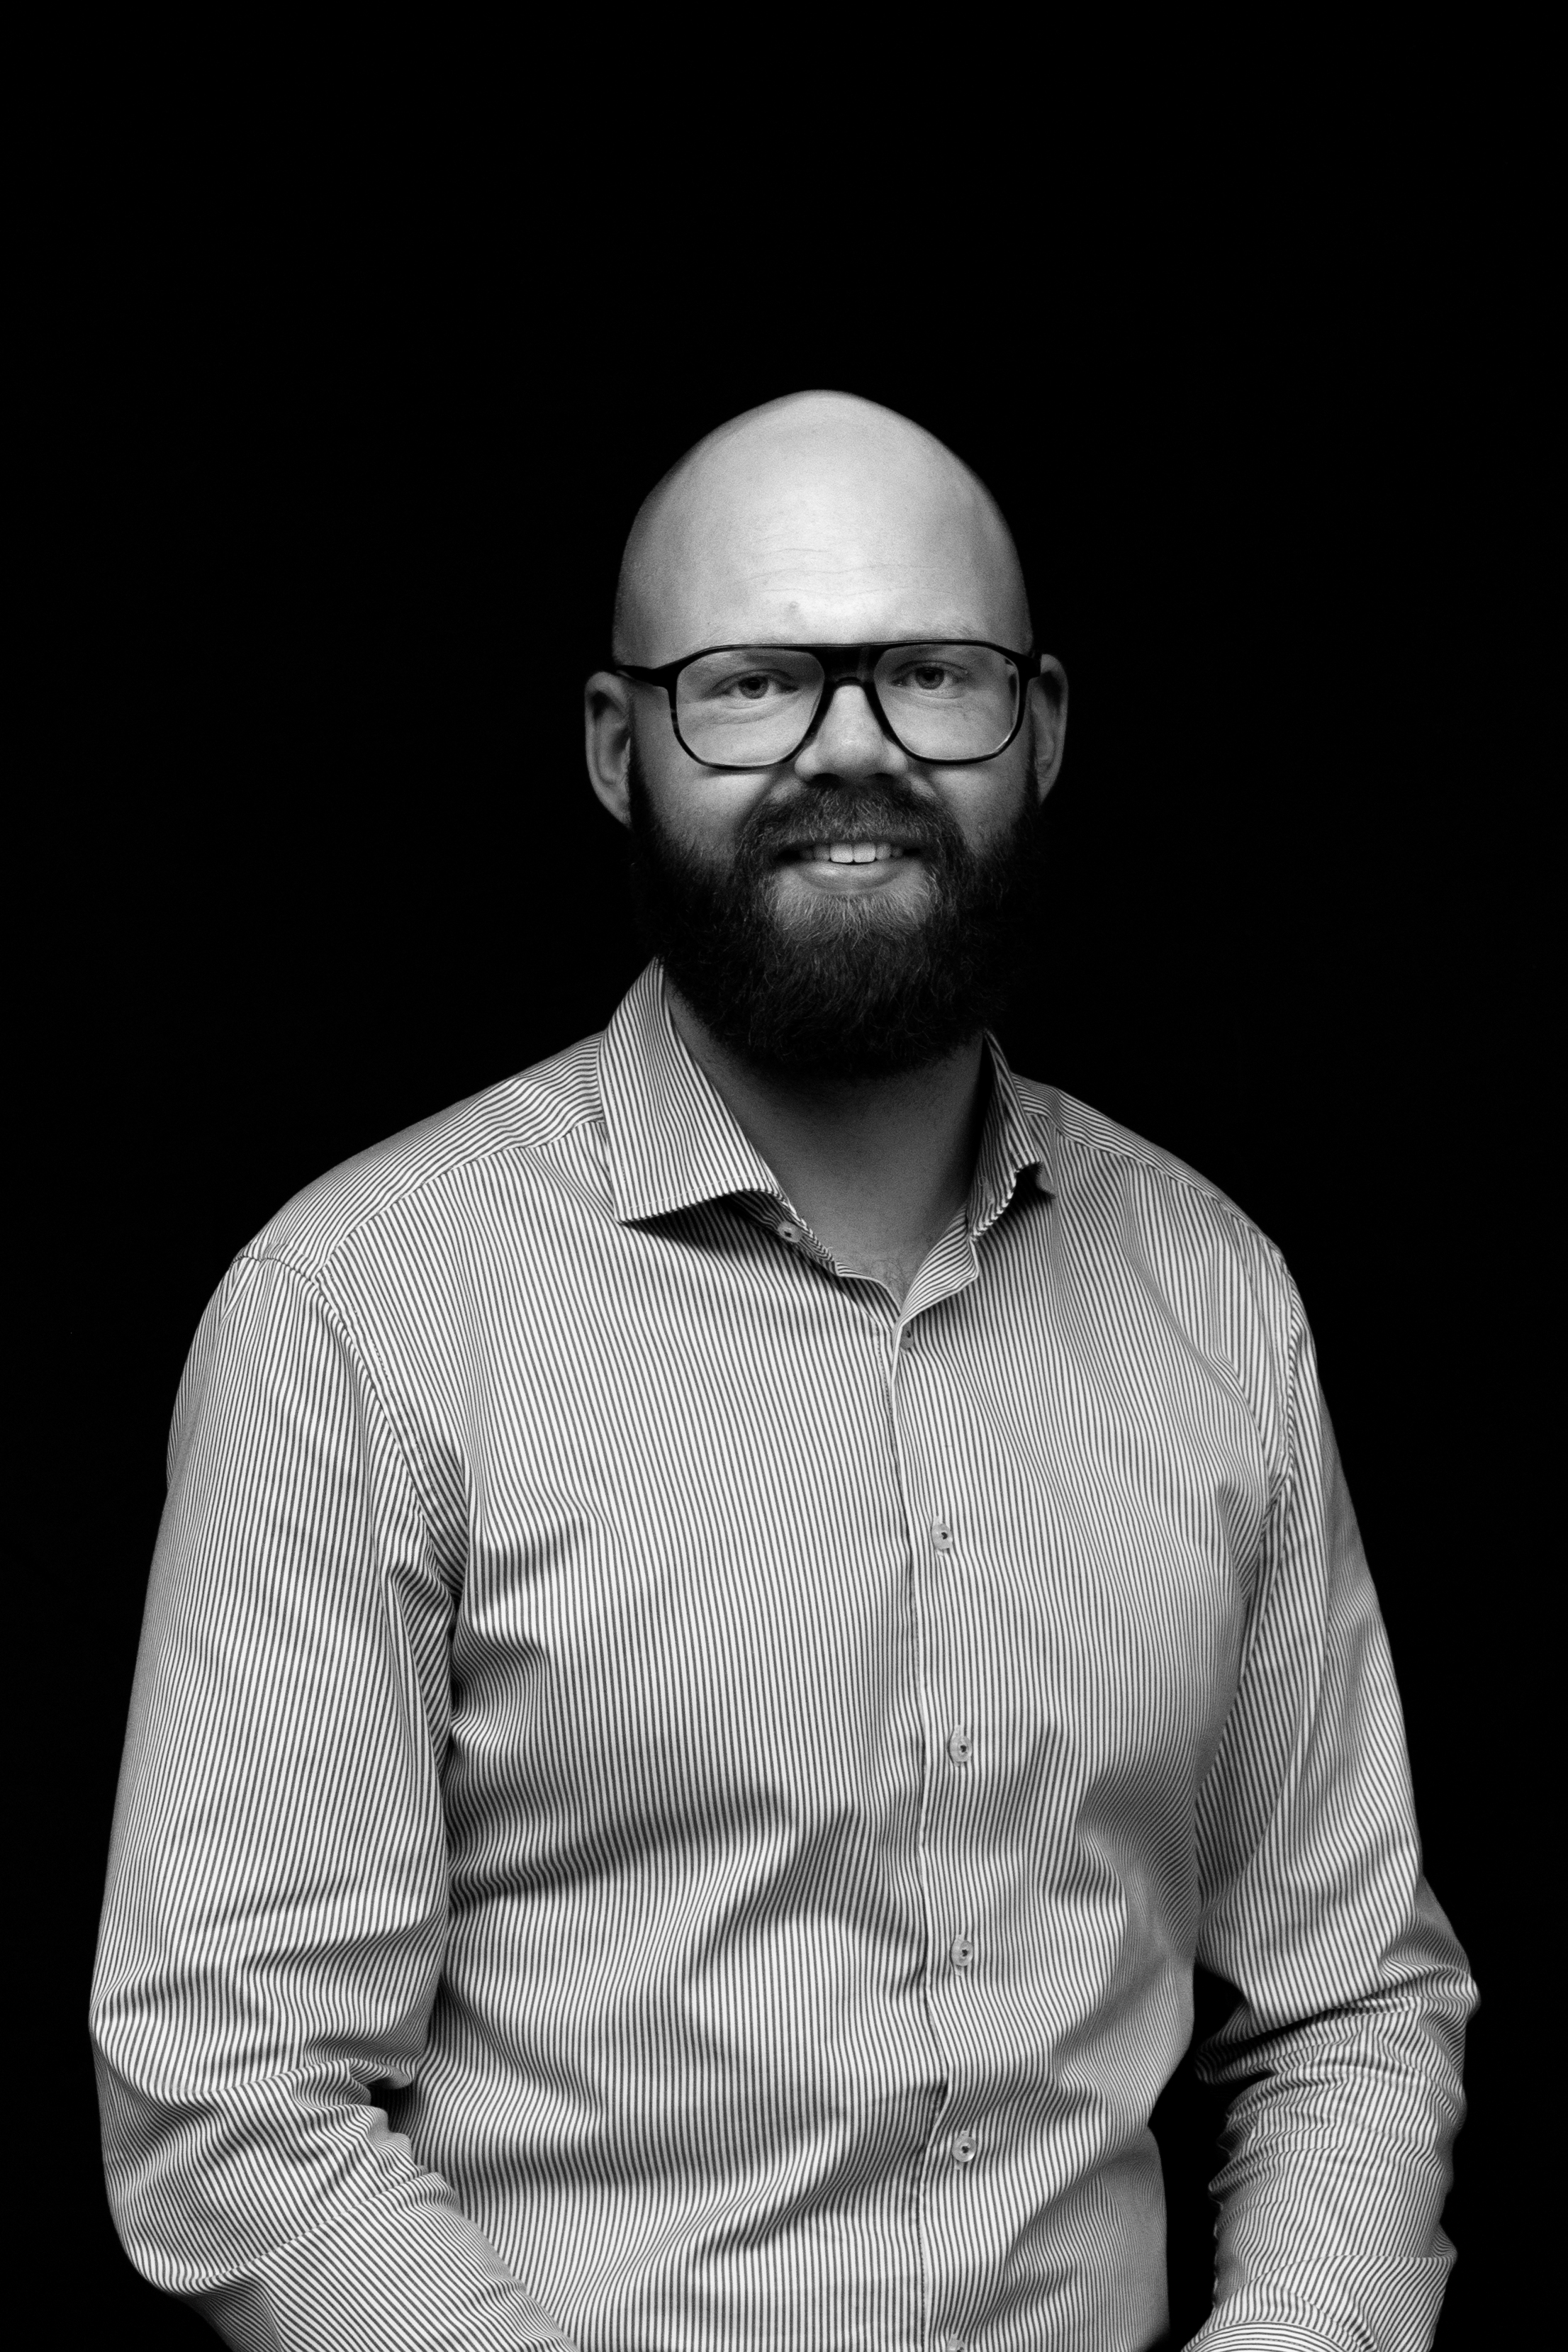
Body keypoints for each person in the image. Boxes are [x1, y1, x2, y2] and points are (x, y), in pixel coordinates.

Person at [91, 391, 1475, 2352]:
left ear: (1043, 726)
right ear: (617, 744)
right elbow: (233, 2091)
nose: (851, 748)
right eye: (748, 681)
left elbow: (1354, 2002)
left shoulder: (1213, 1294)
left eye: (930, 671)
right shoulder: (359, 1313)